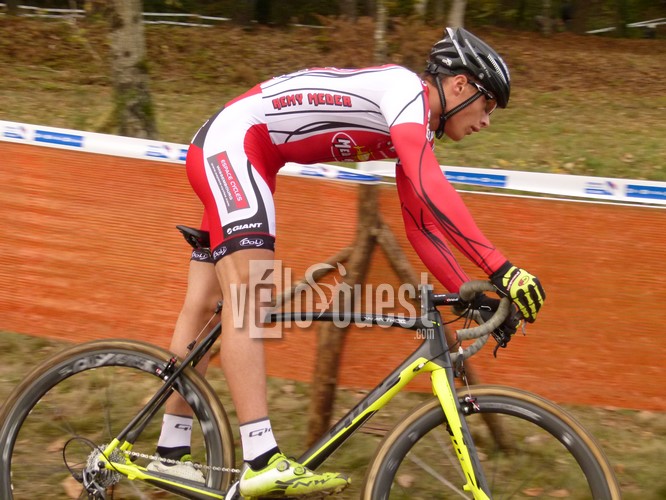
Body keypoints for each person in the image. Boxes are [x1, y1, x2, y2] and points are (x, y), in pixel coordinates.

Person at [148, 26, 546, 497]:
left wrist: (470, 293)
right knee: (248, 299)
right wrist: (503, 269)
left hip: (244, 152)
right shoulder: (406, 92)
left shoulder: (414, 126)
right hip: (236, 145)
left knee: (207, 305)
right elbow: (430, 187)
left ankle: (170, 453)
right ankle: (260, 459)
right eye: (488, 104)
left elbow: (421, 224)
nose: (487, 121)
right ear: (460, 85)